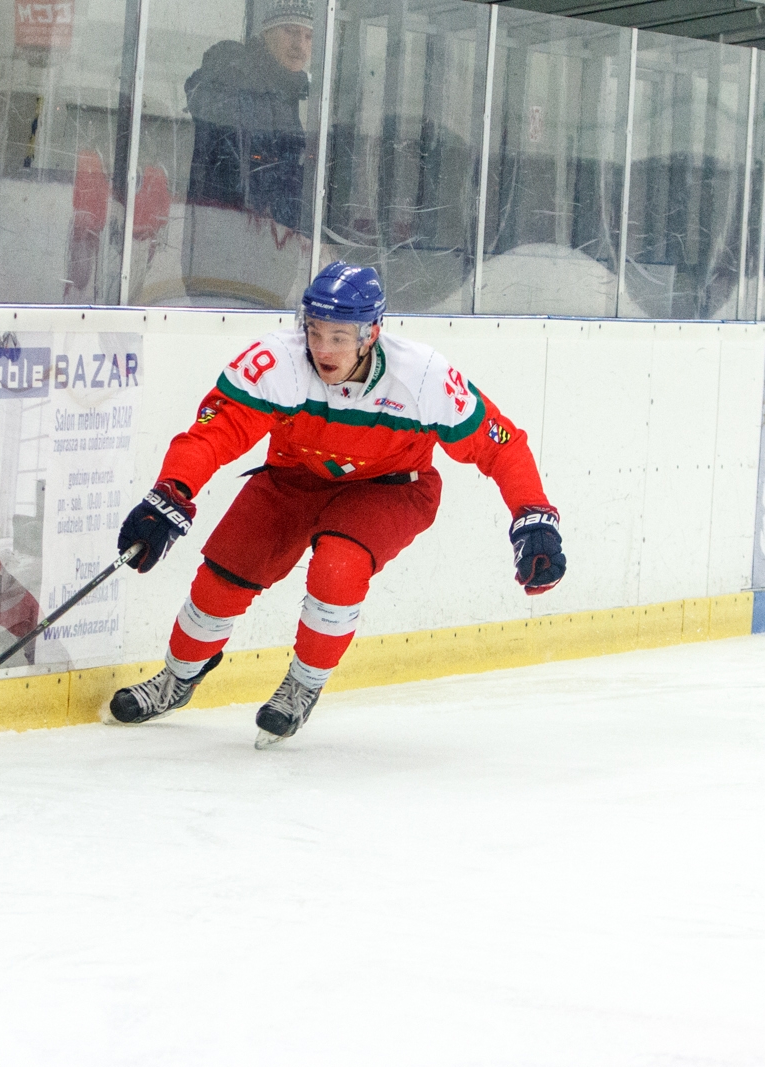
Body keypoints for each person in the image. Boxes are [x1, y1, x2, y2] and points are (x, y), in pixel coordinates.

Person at [108, 262, 566, 747]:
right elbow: (214, 434)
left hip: (391, 488)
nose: (322, 349)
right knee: (223, 575)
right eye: (314, 331)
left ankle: (303, 685)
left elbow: (500, 445)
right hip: (293, 478)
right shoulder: (276, 362)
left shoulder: (424, 377)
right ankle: (177, 678)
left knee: (338, 567)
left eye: (339, 337)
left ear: (371, 335)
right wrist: (171, 492)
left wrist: (533, 517)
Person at [183, 0, 315, 230]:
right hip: (238, 234)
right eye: (291, 31)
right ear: (267, 33)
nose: (300, 46)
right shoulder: (242, 82)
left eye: (308, 36)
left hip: (267, 236)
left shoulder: (285, 90)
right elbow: (251, 179)